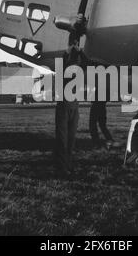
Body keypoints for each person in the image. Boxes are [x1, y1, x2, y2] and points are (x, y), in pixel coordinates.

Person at [54, 38, 87, 176]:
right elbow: (60, 66)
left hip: (74, 109)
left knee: (71, 140)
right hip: (64, 108)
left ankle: (67, 165)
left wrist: (80, 51)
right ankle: (62, 168)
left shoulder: (79, 69)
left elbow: (86, 64)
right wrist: (67, 52)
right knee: (63, 140)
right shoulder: (64, 68)